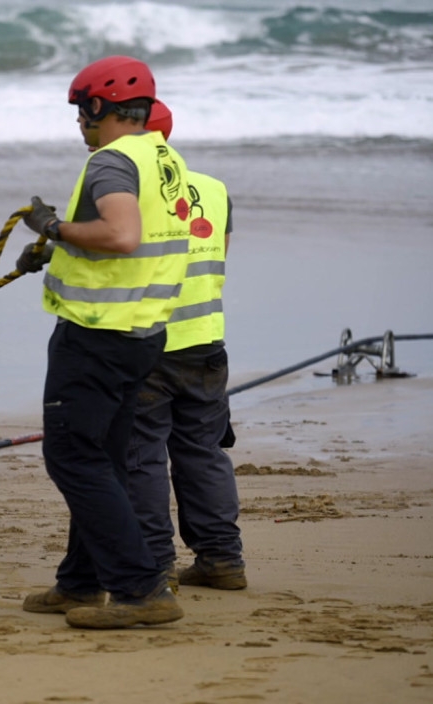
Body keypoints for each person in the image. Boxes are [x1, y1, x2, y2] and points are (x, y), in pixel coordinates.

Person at [14, 56, 193, 629]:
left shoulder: (110, 163)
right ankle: (81, 584)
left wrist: (52, 228)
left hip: (97, 336)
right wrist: (60, 247)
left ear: (97, 107)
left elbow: (121, 234)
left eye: (79, 111)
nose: (78, 124)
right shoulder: (163, 158)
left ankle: (141, 591)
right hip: (142, 333)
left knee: (73, 456)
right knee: (104, 456)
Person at [126, 102, 246, 590]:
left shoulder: (123, 190)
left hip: (148, 344)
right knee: (204, 452)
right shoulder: (215, 190)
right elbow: (219, 256)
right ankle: (221, 560)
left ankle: (155, 566)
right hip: (205, 342)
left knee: (142, 456)